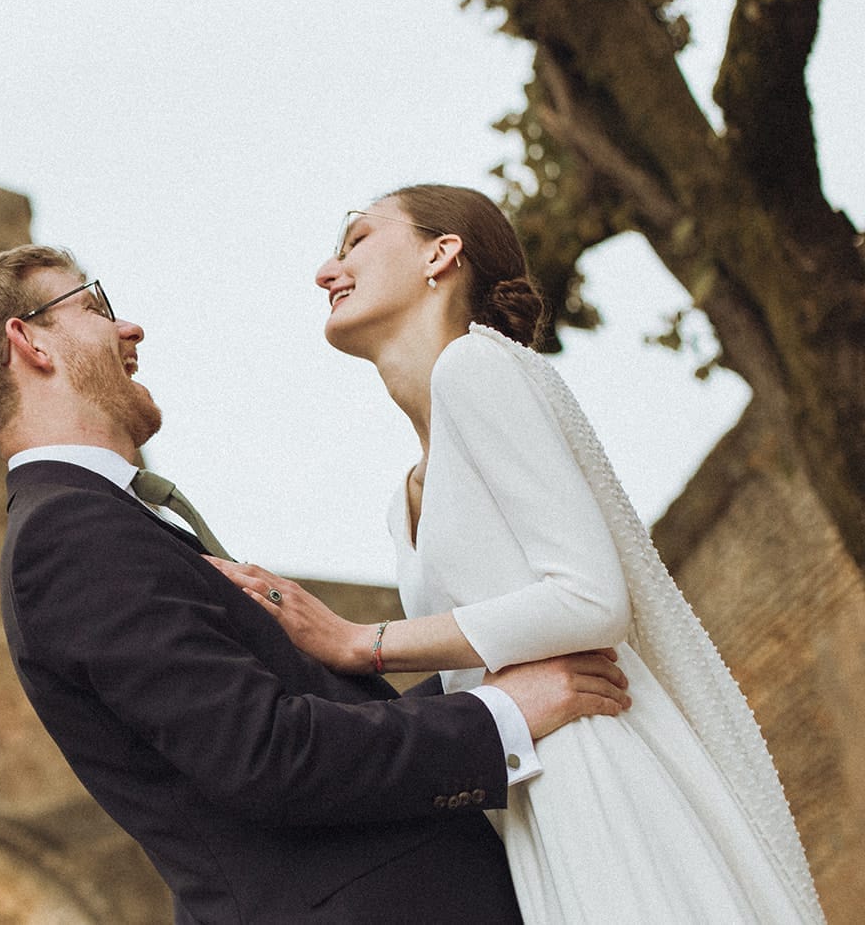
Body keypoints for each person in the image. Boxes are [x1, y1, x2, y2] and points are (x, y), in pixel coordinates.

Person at [0, 243, 633, 923]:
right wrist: (498, 714)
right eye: (94, 307)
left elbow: (289, 726)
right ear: (30, 342)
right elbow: (268, 756)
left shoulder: (95, 523)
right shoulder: (67, 538)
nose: (130, 327)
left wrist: (475, 674)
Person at [215, 185, 825, 922]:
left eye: (356, 241)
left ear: (441, 255)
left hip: (596, 775)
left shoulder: (475, 367)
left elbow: (591, 598)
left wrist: (359, 642)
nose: (325, 270)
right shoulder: (404, 494)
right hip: (527, 798)